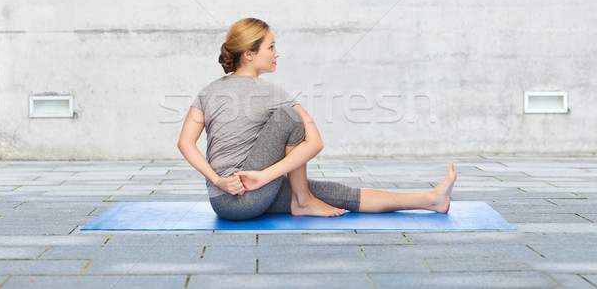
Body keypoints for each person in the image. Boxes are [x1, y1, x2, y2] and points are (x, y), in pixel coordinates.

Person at [177, 18, 457, 221]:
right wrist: (264, 177)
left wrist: (219, 181)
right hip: (249, 197)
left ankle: (431, 199)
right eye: (271, 47)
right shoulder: (272, 93)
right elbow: (314, 141)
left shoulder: (208, 91)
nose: (277, 54)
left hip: (222, 203)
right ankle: (302, 200)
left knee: (333, 193)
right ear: (249, 54)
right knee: (292, 117)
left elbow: (185, 144)